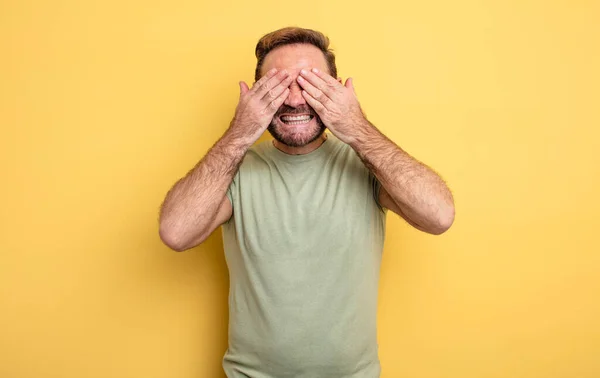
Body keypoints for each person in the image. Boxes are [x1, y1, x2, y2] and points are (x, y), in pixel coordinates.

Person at [158, 27, 455, 378]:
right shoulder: (234, 170)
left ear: (338, 91)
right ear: (256, 95)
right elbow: (176, 232)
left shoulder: (367, 163)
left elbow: (439, 216)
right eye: (279, 85)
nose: (296, 100)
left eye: (311, 84)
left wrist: (357, 128)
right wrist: (239, 134)